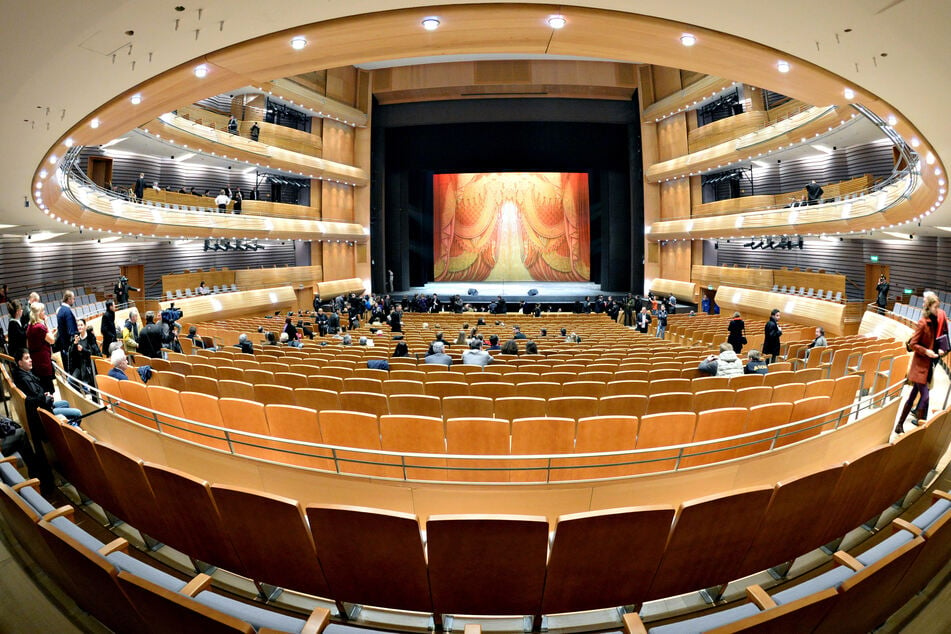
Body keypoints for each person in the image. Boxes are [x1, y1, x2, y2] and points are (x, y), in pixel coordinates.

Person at [895, 292, 949, 434]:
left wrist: (941, 349)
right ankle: (919, 430)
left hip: (927, 365)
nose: (938, 310)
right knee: (924, 397)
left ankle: (899, 424)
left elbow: (940, 337)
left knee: (913, 396)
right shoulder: (923, 322)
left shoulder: (935, 320)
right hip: (919, 365)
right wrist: (926, 351)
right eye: (935, 307)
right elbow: (913, 343)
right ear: (929, 306)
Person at [13, 348, 83, 425]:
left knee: (65, 403)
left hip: (44, 407)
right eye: (26, 358)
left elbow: (36, 395)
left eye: (30, 357)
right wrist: (47, 398)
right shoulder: (24, 379)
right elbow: (37, 401)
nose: (30, 360)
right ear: (20, 363)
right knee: (78, 413)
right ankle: (72, 429)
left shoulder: (22, 373)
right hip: (45, 414)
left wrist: (45, 395)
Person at [26, 302, 56, 393]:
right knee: (48, 390)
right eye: (43, 311)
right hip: (43, 362)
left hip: (36, 361)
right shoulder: (40, 327)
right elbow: (52, 340)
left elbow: (29, 344)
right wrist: (46, 324)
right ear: (38, 313)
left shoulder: (30, 326)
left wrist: (48, 332)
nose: (44, 312)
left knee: (43, 388)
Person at [55, 290, 78, 372]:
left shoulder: (60, 310)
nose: (74, 300)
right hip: (69, 346)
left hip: (63, 345)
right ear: (69, 299)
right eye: (73, 298)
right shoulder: (67, 311)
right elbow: (71, 331)